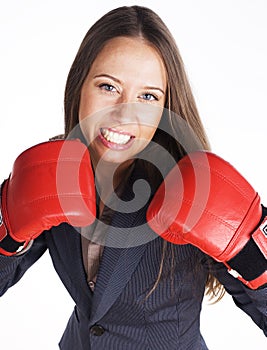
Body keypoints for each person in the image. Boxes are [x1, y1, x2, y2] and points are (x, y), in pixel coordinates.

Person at [0, 5, 266, 349]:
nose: (125, 113)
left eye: (147, 96)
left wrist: (249, 244)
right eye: (109, 87)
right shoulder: (54, 169)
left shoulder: (190, 188)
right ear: (80, 85)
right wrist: (7, 227)